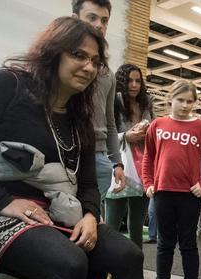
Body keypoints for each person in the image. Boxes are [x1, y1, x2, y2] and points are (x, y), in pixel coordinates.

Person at [0, 17, 148, 279]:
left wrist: (91, 215)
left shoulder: (79, 114)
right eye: (78, 54)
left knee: (128, 255)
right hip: (5, 215)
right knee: (68, 262)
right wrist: (4, 200)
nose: (88, 66)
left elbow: (86, 182)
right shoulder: (8, 85)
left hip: (61, 214)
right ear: (53, 52)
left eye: (96, 61)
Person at [142, 79, 201, 279]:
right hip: (163, 193)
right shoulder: (157, 125)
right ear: (171, 99)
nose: (185, 105)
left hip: (189, 195)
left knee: (188, 244)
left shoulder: (200, 128)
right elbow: (148, 158)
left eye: (190, 101)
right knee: (164, 245)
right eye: (181, 100)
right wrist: (148, 183)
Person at [105, 63, 156, 279]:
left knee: (137, 228)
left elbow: (155, 132)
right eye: (130, 81)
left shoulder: (147, 103)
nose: (134, 85)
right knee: (111, 226)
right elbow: (105, 133)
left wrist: (148, 131)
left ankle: (138, 278)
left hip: (143, 168)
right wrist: (127, 135)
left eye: (138, 81)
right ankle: (106, 277)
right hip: (119, 167)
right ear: (122, 81)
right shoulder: (113, 101)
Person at [72, 0, 126, 201]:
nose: (99, 25)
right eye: (91, 18)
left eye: (104, 20)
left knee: (92, 220)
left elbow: (110, 122)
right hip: (68, 155)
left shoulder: (107, 74)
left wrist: (117, 163)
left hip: (100, 158)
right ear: (75, 19)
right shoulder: (59, 63)